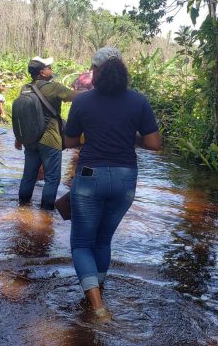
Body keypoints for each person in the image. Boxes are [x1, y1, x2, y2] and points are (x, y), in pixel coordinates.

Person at [63, 47, 162, 316]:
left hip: (89, 177)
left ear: (95, 72)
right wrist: (131, 138)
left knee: (82, 243)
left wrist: (91, 136)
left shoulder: (82, 102)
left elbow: (70, 141)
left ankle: (97, 306)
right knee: (103, 240)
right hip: (125, 177)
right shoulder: (139, 101)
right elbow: (154, 144)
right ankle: (99, 291)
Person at [16, 56, 78, 210]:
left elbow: (21, 115)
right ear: (42, 73)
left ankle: (22, 208)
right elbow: (76, 97)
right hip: (50, 140)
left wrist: (19, 138)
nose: (51, 69)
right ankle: (46, 214)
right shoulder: (54, 88)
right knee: (52, 179)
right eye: (49, 67)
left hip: (30, 140)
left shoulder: (25, 88)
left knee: (28, 176)